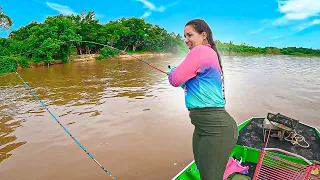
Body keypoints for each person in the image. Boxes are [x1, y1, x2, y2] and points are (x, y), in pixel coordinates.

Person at [168, 19, 239, 180]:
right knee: (204, 172)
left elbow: (175, 79)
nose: (186, 40)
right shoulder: (208, 54)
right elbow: (194, 86)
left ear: (203, 35)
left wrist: (172, 71)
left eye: (189, 35)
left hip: (215, 128)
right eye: (184, 36)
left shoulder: (200, 51)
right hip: (202, 127)